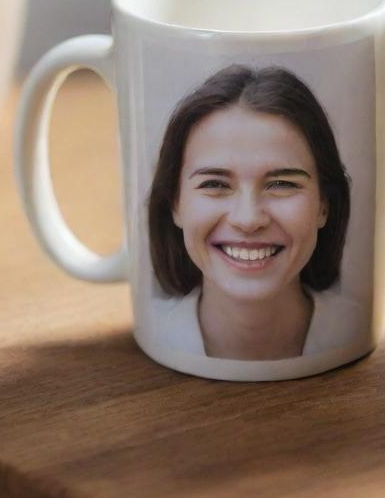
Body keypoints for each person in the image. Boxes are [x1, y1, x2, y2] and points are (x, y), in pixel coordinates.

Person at [148, 64, 360, 361]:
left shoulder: (355, 326)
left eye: (282, 184)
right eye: (214, 184)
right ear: (175, 204)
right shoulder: (153, 331)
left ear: (323, 205)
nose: (247, 220)